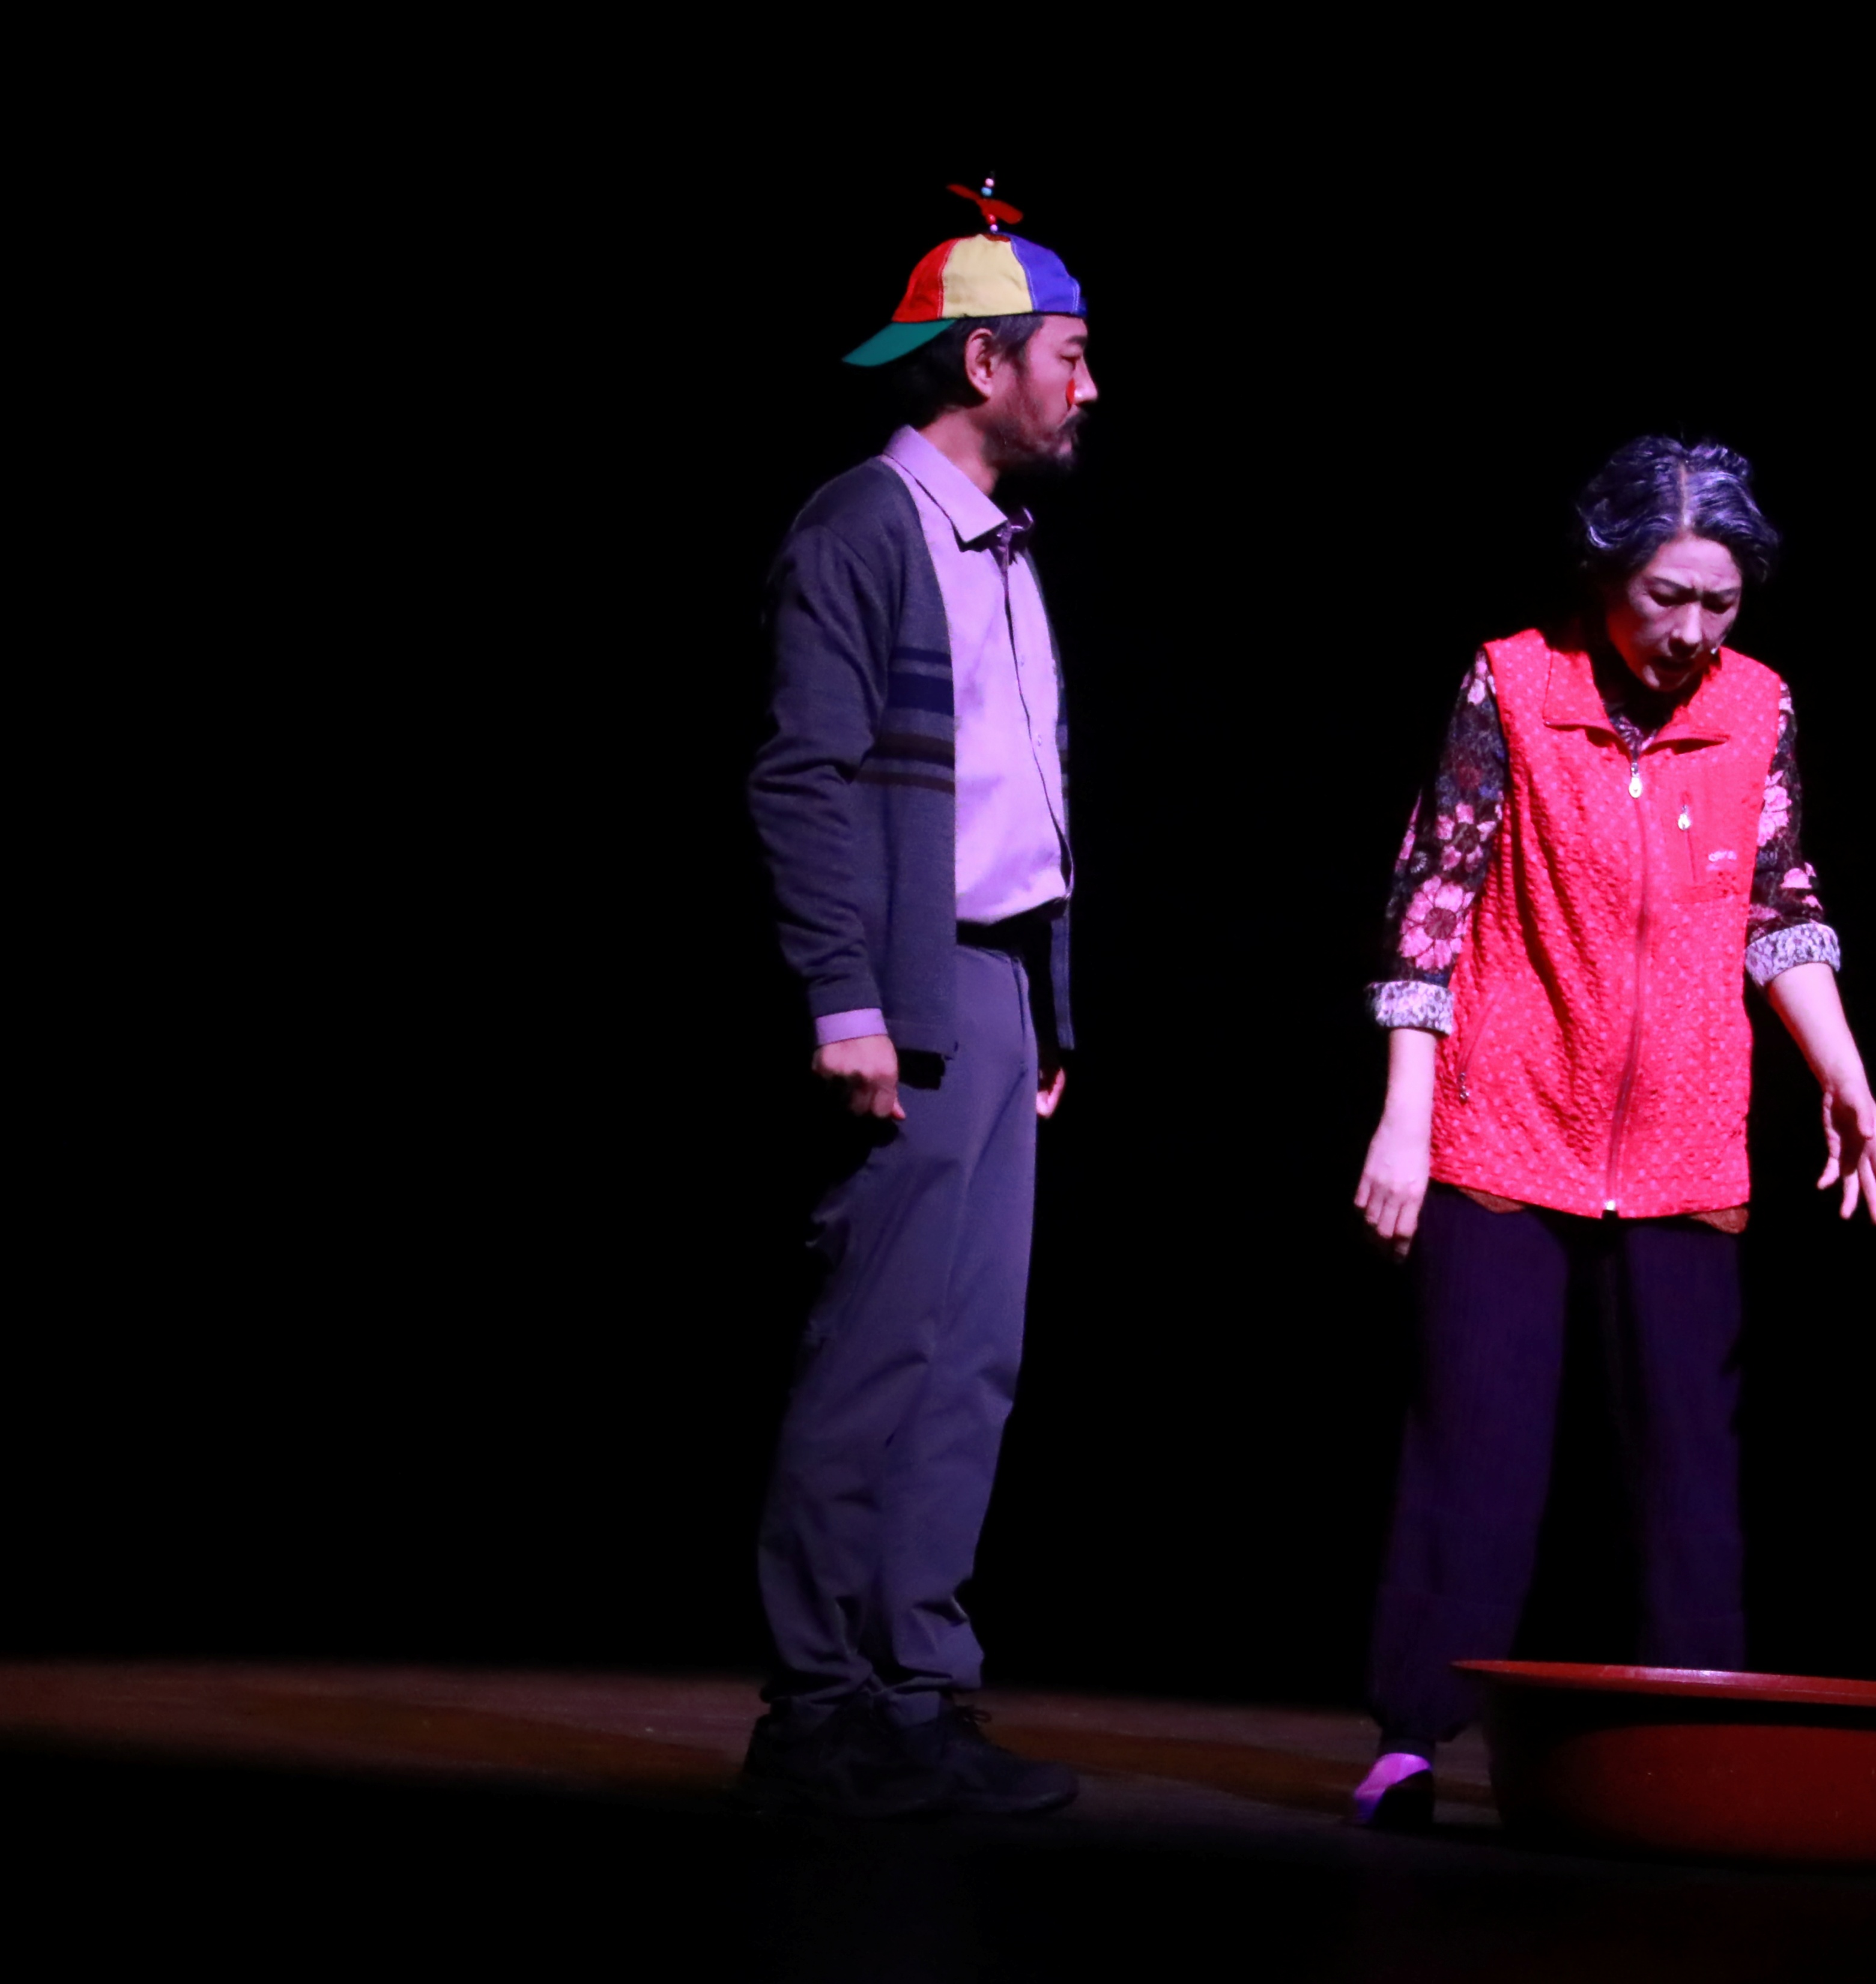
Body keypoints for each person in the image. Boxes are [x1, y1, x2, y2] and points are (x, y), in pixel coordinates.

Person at [1345, 437, 1876, 1828]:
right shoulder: (1514, 683)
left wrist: (1841, 1068)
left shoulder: (1757, 704)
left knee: (1686, 1470)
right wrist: (1405, 1117)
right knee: (1476, 1445)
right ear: (1605, 578)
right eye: (1667, 596)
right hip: (1504, 1118)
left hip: (1685, 1136)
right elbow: (1433, 894)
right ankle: (1411, 1737)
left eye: (1721, 601)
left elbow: (1779, 899)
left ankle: (1694, 1743)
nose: (1693, 629)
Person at [741, 186, 1097, 1819]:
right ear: (983, 360)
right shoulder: (864, 528)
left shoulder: (1006, 550)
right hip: (906, 980)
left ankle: (917, 1693)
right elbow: (804, 778)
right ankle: (819, 1706)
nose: (1089, 386)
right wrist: (845, 998)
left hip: (998, 987)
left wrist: (1046, 1009)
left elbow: (1025, 800)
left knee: (972, 1360)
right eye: (1070, 355)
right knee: (881, 1348)